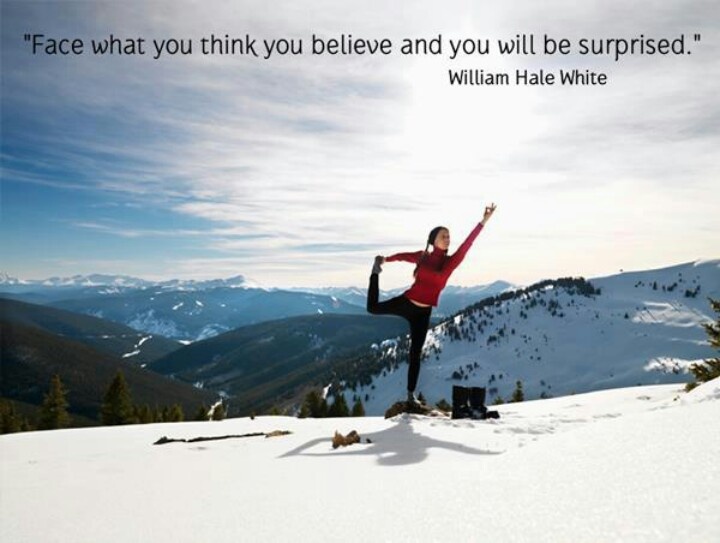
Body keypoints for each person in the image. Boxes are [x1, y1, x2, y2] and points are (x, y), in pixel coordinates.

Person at [367, 203, 497, 406]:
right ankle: (374, 273)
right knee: (372, 308)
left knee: (415, 353)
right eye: (443, 235)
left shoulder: (450, 262)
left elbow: (467, 244)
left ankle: (410, 395)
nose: (448, 239)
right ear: (433, 240)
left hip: (423, 313)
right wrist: (385, 260)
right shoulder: (423, 257)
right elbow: (404, 256)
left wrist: (483, 221)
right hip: (406, 302)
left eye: (449, 236)